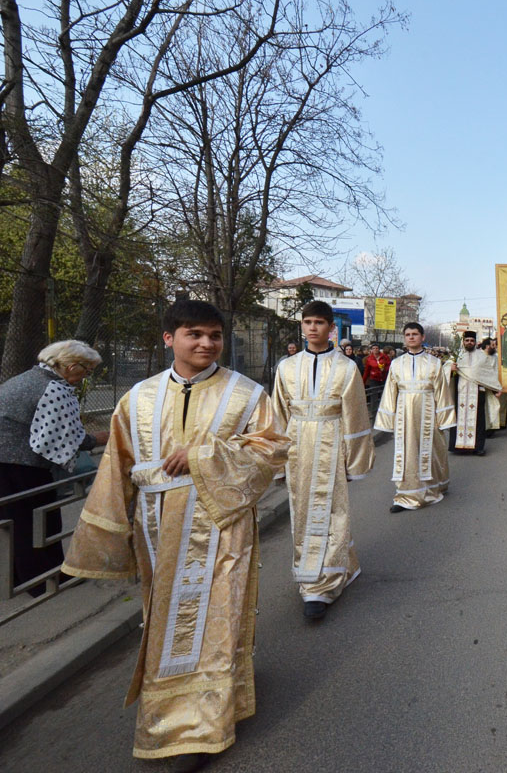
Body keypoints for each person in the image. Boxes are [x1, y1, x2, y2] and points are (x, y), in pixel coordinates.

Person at [62, 300, 288, 769]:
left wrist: (203, 456)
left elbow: (271, 450)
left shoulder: (247, 394)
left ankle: (204, 728)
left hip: (222, 526)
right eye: (194, 334)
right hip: (157, 528)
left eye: (214, 335)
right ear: (169, 339)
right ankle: (169, 720)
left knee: (218, 622)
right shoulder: (138, 398)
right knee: (166, 622)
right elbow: (116, 466)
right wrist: (111, 535)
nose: (206, 343)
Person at [272, 301, 374, 620]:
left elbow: (355, 415)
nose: (312, 327)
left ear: (331, 328)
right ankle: (320, 569)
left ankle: (323, 585)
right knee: (302, 510)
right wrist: (276, 460)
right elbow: (278, 414)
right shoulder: (286, 368)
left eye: (319, 322)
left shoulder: (346, 367)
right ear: (301, 326)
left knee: (333, 511)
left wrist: (354, 461)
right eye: (308, 322)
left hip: (332, 443)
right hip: (297, 446)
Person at [0, 340, 108, 596]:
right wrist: (100, 438)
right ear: (71, 367)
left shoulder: (24, 379)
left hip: (6, 464)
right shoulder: (55, 389)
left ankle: (17, 578)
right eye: (87, 370)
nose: (85, 377)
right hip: (24, 466)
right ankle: (44, 580)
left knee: (14, 522)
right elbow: (66, 438)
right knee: (39, 522)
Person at [374, 322, 455, 511]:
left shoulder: (434, 363)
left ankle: (434, 486)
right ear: (404, 338)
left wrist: (444, 418)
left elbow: (441, 391)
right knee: (407, 451)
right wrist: (388, 419)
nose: (411, 337)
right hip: (405, 415)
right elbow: (390, 392)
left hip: (429, 413)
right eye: (408, 334)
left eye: (415, 334)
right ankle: (406, 495)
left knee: (432, 450)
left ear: (422, 337)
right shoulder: (396, 364)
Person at [450, 331, 501, 456]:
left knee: (479, 419)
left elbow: (488, 374)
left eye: (472, 341)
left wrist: (495, 389)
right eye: (467, 340)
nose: (469, 343)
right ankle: (459, 446)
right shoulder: (457, 356)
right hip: (460, 392)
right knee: (459, 418)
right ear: (463, 342)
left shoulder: (482, 356)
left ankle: (478, 447)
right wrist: (451, 370)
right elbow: (446, 373)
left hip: (478, 392)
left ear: (475, 342)